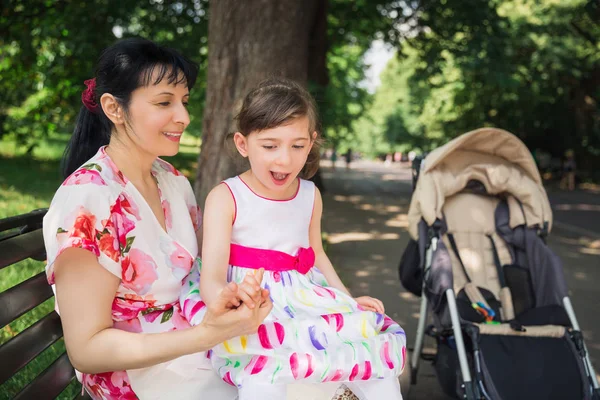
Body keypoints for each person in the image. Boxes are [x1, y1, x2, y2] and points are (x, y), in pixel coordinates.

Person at [42, 38, 272, 400]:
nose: (183, 116)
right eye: (164, 102)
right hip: (139, 376)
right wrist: (208, 334)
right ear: (114, 109)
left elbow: (197, 276)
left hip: (194, 349)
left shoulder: (170, 179)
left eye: (184, 101)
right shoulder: (87, 201)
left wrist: (233, 298)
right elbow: (86, 350)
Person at [182, 78, 406, 400]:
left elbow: (317, 253)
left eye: (297, 146)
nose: (284, 160)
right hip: (254, 303)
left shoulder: (310, 195)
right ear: (243, 144)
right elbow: (212, 276)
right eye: (270, 146)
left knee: (374, 366)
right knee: (263, 377)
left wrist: (347, 299)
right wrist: (232, 302)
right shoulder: (227, 196)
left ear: (311, 142)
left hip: (302, 299)